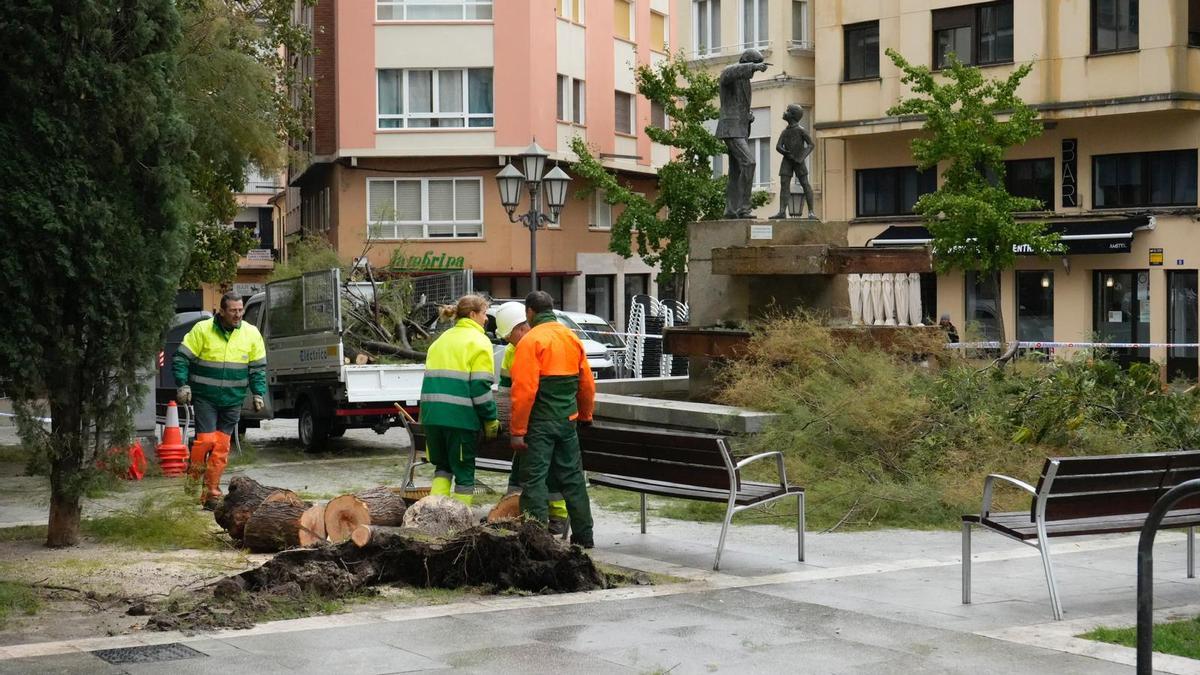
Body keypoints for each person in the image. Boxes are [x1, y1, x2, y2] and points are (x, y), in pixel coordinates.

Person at [509, 291, 596, 548]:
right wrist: (586, 415)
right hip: (567, 421)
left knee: (534, 480)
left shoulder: (531, 341)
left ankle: (536, 538)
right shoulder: (571, 337)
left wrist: (517, 430)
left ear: (529, 312)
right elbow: (587, 384)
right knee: (573, 479)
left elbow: (524, 391)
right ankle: (584, 536)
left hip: (539, 423)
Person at [174, 291, 266, 506]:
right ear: (222, 311)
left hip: (233, 400)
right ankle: (193, 479)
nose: (238, 315)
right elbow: (180, 358)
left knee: (221, 448)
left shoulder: (251, 334)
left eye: (240, 310)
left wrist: (258, 393)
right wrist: (183, 384)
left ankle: (211, 494)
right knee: (206, 442)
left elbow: (258, 368)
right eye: (233, 311)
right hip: (205, 398)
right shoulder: (202, 330)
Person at [493, 302, 571, 535]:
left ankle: (557, 515)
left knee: (549, 471)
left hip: (544, 419)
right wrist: (513, 424)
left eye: (509, 336)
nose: (508, 341)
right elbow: (507, 392)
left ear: (522, 328)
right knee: (523, 469)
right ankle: (517, 509)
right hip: (529, 420)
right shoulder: (511, 351)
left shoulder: (542, 344)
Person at [419, 295, 499, 506]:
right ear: (473, 315)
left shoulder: (440, 340)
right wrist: (490, 419)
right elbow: (480, 387)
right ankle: (459, 519)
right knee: (464, 473)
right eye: (484, 314)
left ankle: (435, 514)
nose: (486, 319)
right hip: (460, 419)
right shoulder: (479, 341)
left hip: (432, 418)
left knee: (443, 468)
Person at [716, 49, 769, 218]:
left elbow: (738, 105)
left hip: (740, 128)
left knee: (736, 171)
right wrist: (753, 67)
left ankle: (731, 210)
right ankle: (744, 208)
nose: (753, 72)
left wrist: (748, 117)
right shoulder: (730, 75)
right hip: (730, 129)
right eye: (753, 64)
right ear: (746, 62)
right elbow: (728, 73)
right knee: (749, 162)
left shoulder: (745, 82)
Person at [770, 104, 816, 219]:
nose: (785, 112)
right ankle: (781, 211)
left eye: (787, 111)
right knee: (784, 184)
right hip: (787, 160)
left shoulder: (801, 130)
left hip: (798, 161)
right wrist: (785, 153)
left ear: (793, 115)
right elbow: (778, 146)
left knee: (805, 184)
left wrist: (801, 157)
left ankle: (811, 212)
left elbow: (811, 145)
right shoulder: (785, 132)